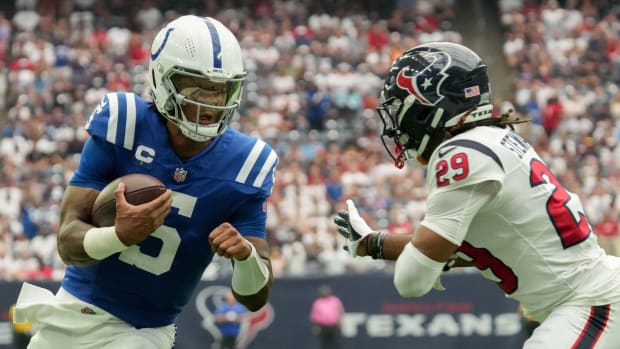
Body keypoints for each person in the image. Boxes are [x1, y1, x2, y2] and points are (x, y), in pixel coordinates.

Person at [13, 15, 277, 349]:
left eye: (220, 90)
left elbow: (254, 298)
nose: (209, 103)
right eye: (196, 87)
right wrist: (119, 235)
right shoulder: (124, 122)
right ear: (162, 78)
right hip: (72, 313)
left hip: (145, 332)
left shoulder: (247, 164)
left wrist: (246, 257)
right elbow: (68, 243)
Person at [334, 41, 620, 348]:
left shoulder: (459, 155)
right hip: (590, 297)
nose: (396, 123)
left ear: (428, 104)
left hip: (591, 302)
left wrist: (426, 256)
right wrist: (373, 244)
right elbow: (480, 247)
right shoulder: (493, 139)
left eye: (401, 106)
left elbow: (412, 281)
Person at [310, 285, 344, 349]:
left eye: (326, 291)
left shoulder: (335, 300)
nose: (324, 293)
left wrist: (339, 320)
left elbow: (341, 310)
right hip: (322, 326)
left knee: (337, 343)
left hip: (334, 325)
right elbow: (314, 315)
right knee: (324, 344)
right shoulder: (317, 302)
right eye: (323, 292)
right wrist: (316, 325)